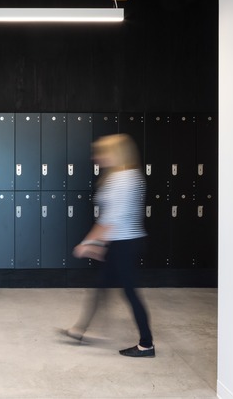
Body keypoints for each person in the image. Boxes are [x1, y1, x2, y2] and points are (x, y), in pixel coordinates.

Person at [65, 133, 154, 357]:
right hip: (124, 241)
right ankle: (80, 329)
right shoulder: (132, 176)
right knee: (101, 286)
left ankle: (146, 344)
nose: (97, 157)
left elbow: (109, 220)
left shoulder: (122, 179)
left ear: (116, 153)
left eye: (102, 152)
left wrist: (87, 243)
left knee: (130, 293)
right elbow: (116, 218)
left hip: (124, 243)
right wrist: (101, 244)